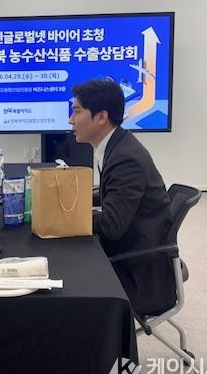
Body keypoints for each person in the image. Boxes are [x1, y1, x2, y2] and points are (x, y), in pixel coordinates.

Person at [68, 77, 176, 316]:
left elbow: (112, 225)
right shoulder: (116, 145)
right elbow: (111, 193)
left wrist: (67, 215)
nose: (70, 120)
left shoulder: (125, 158)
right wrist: (71, 198)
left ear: (101, 117)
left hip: (136, 270)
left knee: (65, 274)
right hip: (131, 249)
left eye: (76, 111)